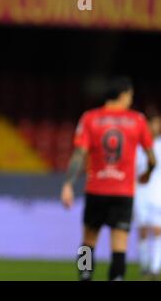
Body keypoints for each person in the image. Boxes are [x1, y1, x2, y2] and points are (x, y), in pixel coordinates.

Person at [60, 77, 156, 281]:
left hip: (96, 189)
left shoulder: (90, 118)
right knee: (120, 243)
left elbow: (79, 154)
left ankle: (85, 276)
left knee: (88, 240)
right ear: (122, 94)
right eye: (130, 95)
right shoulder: (137, 120)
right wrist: (147, 172)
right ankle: (117, 278)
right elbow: (151, 157)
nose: (130, 100)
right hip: (123, 192)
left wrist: (68, 184)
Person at [134, 113, 161, 280]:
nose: (156, 127)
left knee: (158, 230)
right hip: (140, 193)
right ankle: (144, 267)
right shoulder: (138, 146)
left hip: (158, 193)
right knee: (142, 230)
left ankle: (155, 267)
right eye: (154, 123)